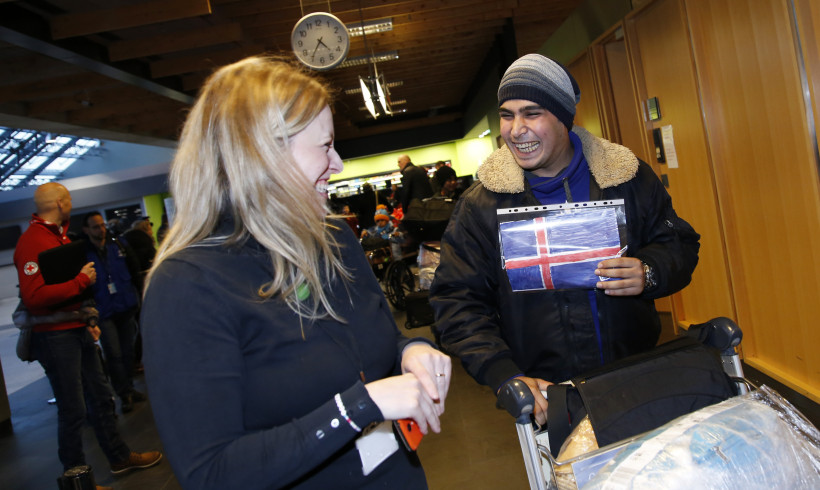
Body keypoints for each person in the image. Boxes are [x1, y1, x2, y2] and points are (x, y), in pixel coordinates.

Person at [140, 56, 452, 489]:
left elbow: (368, 343)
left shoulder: (335, 239)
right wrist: (357, 408)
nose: (339, 163)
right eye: (325, 146)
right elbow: (211, 473)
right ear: (262, 155)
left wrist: (409, 351)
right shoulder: (188, 286)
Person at [429, 54, 700, 425]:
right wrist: (504, 374)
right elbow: (457, 301)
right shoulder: (481, 206)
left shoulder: (625, 178)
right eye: (507, 115)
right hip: (547, 399)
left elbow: (679, 244)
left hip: (637, 377)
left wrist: (649, 271)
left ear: (563, 117)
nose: (516, 129)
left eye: (532, 113)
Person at [13, 182, 162, 484]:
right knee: (73, 409)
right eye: (67, 199)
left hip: (77, 328)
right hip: (55, 337)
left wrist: (87, 315)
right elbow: (33, 297)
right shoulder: (33, 241)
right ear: (60, 202)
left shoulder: (59, 236)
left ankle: (119, 457)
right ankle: (76, 478)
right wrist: (80, 282)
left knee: (101, 397)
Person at [82, 211, 146, 413]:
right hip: (104, 311)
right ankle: (123, 393)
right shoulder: (84, 254)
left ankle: (129, 387)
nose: (100, 229)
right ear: (86, 230)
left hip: (125, 306)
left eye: (101, 225)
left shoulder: (118, 245)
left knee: (128, 352)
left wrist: (141, 298)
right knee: (114, 354)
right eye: (95, 226)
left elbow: (134, 270)